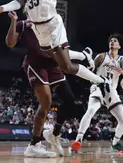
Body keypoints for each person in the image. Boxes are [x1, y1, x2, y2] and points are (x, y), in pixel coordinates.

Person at [5, 11, 90, 157]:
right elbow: (10, 43)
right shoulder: (23, 25)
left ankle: (54, 133)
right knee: (46, 104)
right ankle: (34, 144)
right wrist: (13, 21)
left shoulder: (51, 22)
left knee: (71, 101)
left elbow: (61, 48)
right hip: (35, 64)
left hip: (53, 64)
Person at [71, 35, 123, 153]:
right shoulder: (101, 56)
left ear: (119, 46)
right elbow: (91, 70)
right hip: (98, 85)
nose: (112, 42)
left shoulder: (122, 60)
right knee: (91, 110)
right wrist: (93, 82)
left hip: (112, 90)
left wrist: (122, 72)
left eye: (115, 41)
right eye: (111, 41)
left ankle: (115, 143)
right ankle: (78, 139)